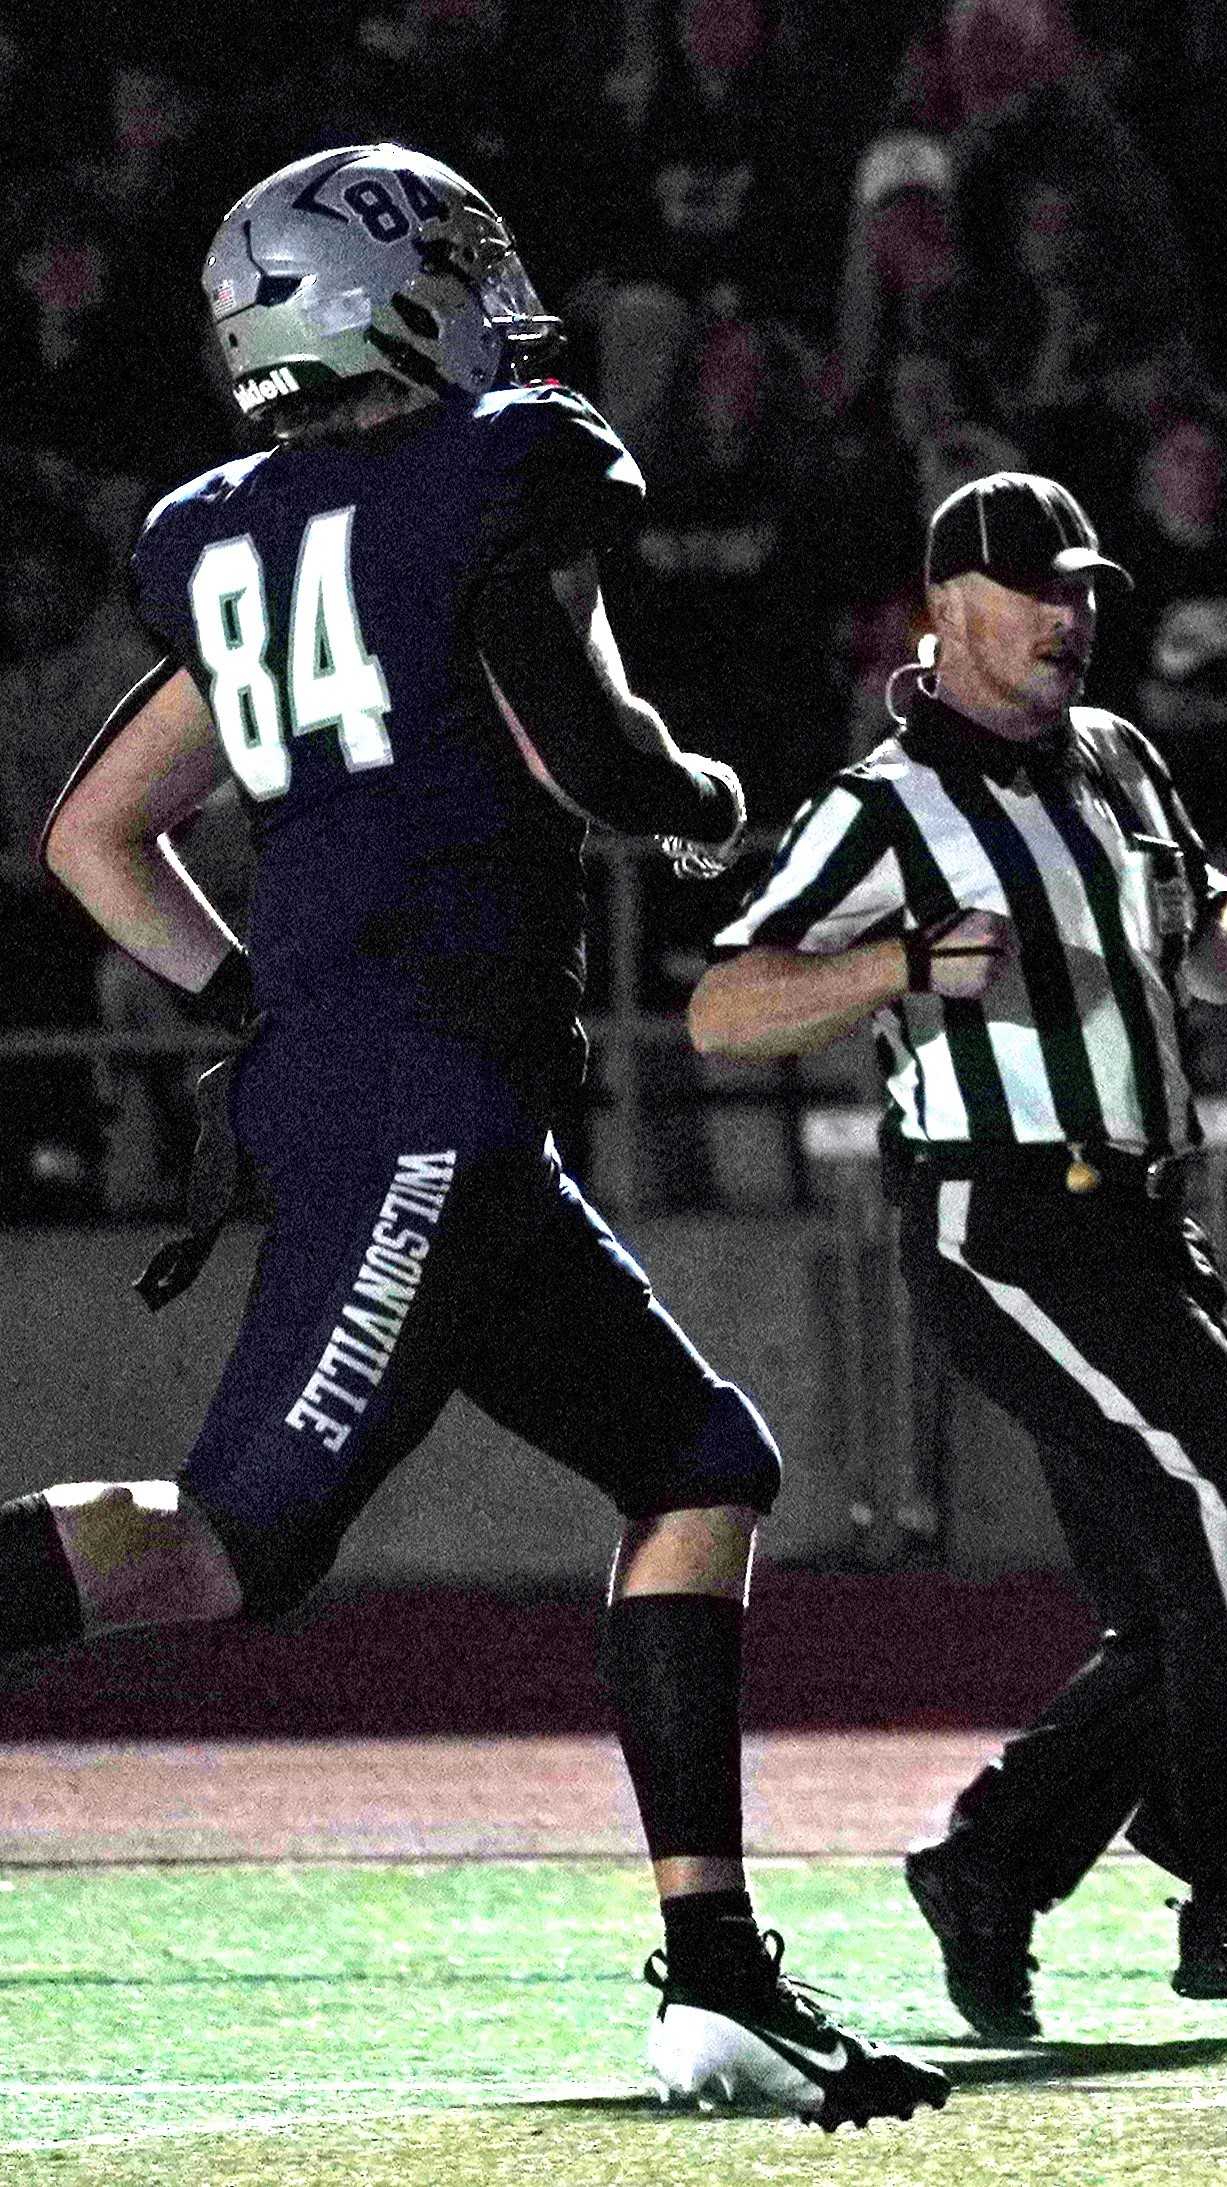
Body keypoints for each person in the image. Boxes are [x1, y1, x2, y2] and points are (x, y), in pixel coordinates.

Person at [0, 147, 946, 2129]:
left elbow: (98, 832)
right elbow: (575, 734)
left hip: (414, 1092)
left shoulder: (229, 532)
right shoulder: (490, 470)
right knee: (226, 1552)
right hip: (425, 1095)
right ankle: (715, 1984)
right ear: (384, 296)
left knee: (702, 1459)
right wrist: (703, 797)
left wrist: (249, 1005)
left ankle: (715, 1985)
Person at [689, 470, 1227, 2040]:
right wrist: (895, 963)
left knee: (1187, 1593)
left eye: (1082, 589)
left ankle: (995, 1861)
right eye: (1035, 591)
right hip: (1004, 1221)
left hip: (1145, 1214)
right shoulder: (880, 805)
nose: (1070, 619)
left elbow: (1193, 964)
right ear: (943, 612)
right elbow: (724, 1008)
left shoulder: (1119, 760)